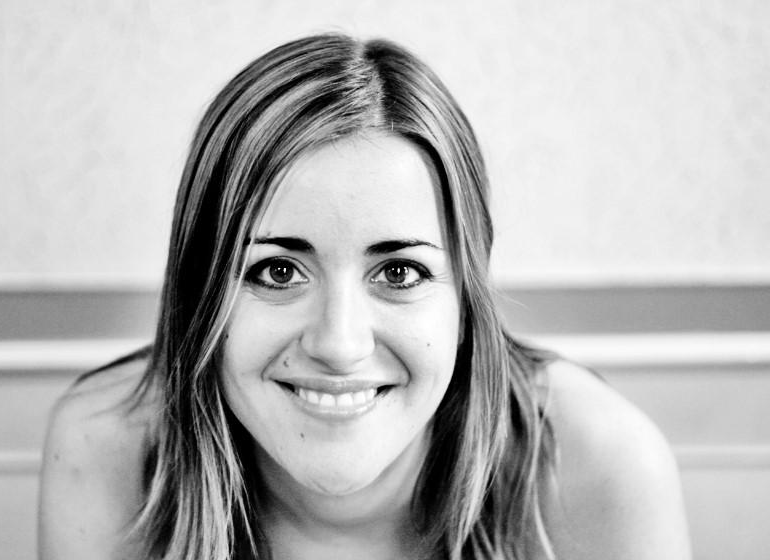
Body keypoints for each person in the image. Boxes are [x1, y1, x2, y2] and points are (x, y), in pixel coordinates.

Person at [38, 34, 691, 560]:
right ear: (200, 295)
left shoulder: (601, 465)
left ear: (467, 302)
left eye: (399, 273)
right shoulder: (107, 450)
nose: (339, 343)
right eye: (278, 272)